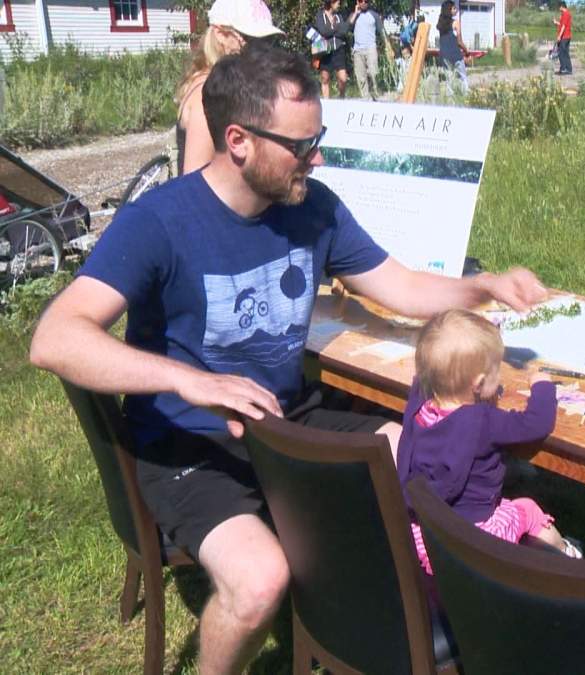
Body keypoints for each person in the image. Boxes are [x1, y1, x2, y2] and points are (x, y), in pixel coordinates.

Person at [29, 44, 548, 673]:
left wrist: (482, 287)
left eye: (318, 138)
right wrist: (190, 380)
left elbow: (401, 287)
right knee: (257, 585)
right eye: (303, 145)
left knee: (420, 456)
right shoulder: (158, 222)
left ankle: (421, 627)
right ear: (239, 139)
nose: (318, 156)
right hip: (194, 448)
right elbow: (54, 337)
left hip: (288, 420)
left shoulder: (314, 206)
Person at [396, 310, 582, 574]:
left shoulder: (418, 406)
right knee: (528, 509)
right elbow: (535, 424)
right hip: (478, 536)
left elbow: (423, 376)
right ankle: (567, 563)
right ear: (480, 384)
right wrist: (542, 386)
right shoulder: (482, 421)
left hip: (426, 530)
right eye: (497, 371)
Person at [175, 0, 282, 174]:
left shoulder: (230, 84)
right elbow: (194, 184)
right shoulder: (207, 93)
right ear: (220, 33)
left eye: (268, 42)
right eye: (251, 41)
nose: (261, 52)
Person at [314, 0, 352, 98]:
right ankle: (327, 102)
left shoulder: (339, 16)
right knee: (325, 78)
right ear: (331, 3)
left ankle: (341, 98)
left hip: (339, 49)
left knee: (343, 78)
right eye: (337, 3)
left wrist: (333, 29)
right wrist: (336, 27)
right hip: (325, 50)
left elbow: (343, 31)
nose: (339, 5)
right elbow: (323, 31)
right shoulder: (320, 15)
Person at [349, 0, 385, 100]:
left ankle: (376, 94)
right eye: (361, 1)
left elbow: (382, 32)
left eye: (366, 1)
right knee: (361, 76)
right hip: (357, 49)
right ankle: (366, 98)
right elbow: (348, 27)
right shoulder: (354, 15)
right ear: (357, 2)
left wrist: (388, 47)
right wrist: (356, 13)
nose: (364, 3)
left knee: (374, 73)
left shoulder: (374, 15)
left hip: (370, 48)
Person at [435, 0, 471, 92]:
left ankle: (449, 98)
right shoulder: (456, 23)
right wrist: (466, 51)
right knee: (463, 77)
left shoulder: (441, 24)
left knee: (448, 80)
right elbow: (459, 42)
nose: (456, 10)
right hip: (455, 54)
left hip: (444, 55)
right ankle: (466, 95)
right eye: (454, 8)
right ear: (449, 10)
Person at [553, 1, 572, 75]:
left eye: (559, 7)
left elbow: (563, 27)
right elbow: (562, 24)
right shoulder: (567, 13)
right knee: (566, 53)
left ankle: (563, 69)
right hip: (567, 36)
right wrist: (556, 23)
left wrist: (559, 36)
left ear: (561, 6)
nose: (558, 9)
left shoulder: (565, 14)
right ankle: (568, 69)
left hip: (564, 36)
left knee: (561, 53)